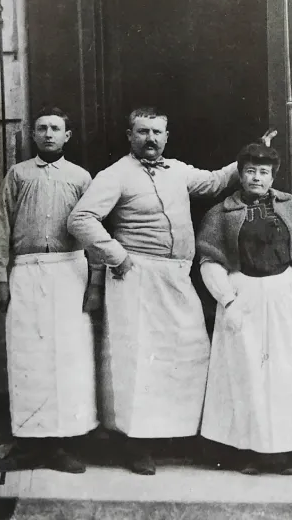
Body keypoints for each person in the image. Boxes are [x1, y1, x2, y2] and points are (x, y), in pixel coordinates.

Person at [67, 107, 239, 475]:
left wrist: (248, 159)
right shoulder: (115, 175)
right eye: (143, 132)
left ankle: (179, 437)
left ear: (166, 136)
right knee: (137, 365)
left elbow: (212, 182)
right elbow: (80, 218)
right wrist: (116, 255)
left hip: (177, 277)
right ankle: (135, 444)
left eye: (157, 132)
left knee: (189, 352)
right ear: (129, 135)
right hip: (136, 277)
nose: (151, 139)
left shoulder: (178, 170)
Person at [197, 142, 292, 475]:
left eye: (263, 172)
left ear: (273, 176)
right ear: (240, 174)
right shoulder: (221, 212)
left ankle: (284, 452)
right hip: (242, 295)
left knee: (285, 375)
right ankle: (248, 451)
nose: (256, 178)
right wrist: (227, 298)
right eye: (250, 171)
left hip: (283, 294)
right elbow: (209, 259)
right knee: (245, 374)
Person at [0, 107, 96, 472]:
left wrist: (94, 280)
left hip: (69, 271)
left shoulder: (81, 178)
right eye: (42, 128)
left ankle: (61, 445)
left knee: (68, 357)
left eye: (56, 129)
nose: (49, 134)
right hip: (27, 273)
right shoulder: (18, 174)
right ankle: (28, 444)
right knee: (28, 356)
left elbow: (94, 226)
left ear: (68, 136)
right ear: (32, 135)